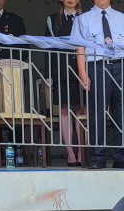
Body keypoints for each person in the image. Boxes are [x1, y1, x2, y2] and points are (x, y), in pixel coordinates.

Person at [71, 0, 124, 169]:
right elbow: (80, 48)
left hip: (121, 65)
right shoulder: (82, 19)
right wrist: (82, 73)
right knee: (97, 111)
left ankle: (122, 155)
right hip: (97, 66)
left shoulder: (123, 19)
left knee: (122, 111)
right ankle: (97, 157)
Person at [45, 0, 85, 166]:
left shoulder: (85, 18)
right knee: (64, 110)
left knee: (81, 110)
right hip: (61, 70)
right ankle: (70, 153)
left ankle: (82, 152)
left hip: (81, 69)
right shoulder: (52, 19)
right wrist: (49, 74)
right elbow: (48, 48)